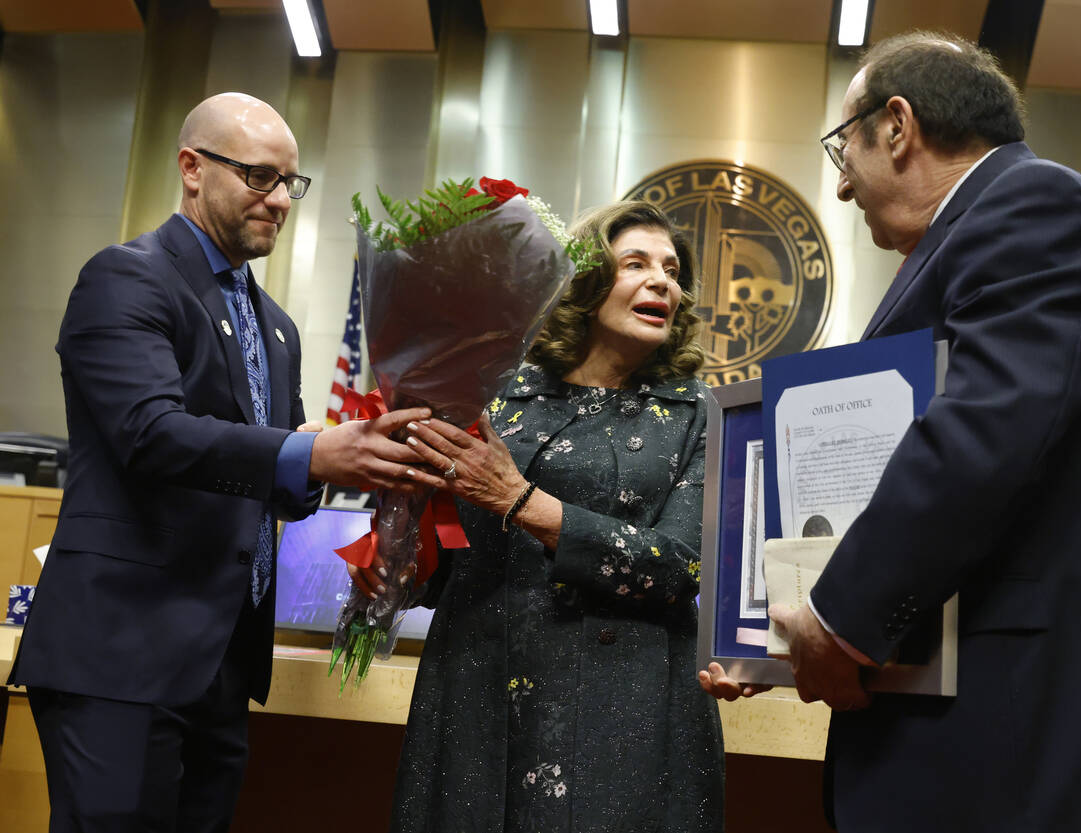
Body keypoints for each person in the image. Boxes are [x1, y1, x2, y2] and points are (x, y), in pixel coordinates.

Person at [701, 32, 1081, 833]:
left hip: (1005, 724)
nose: (841, 188)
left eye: (842, 148)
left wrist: (834, 622)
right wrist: (770, 633)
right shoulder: (976, 232)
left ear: (898, 125)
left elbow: (981, 441)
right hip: (952, 720)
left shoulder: (1032, 207)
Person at [8, 92, 430, 833]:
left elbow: (273, 481)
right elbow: (151, 433)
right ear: (191, 168)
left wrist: (344, 467)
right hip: (122, 658)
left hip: (223, 667)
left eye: (290, 184)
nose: (278, 200)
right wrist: (311, 451)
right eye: (259, 177)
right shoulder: (126, 277)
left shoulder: (277, 327)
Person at [353, 201, 724, 832]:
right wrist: (399, 533)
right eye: (636, 263)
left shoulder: (699, 412)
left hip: (625, 713)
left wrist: (522, 502)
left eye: (671, 269)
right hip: (477, 690)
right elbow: (448, 562)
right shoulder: (495, 392)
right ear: (585, 283)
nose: (663, 280)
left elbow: (682, 565)